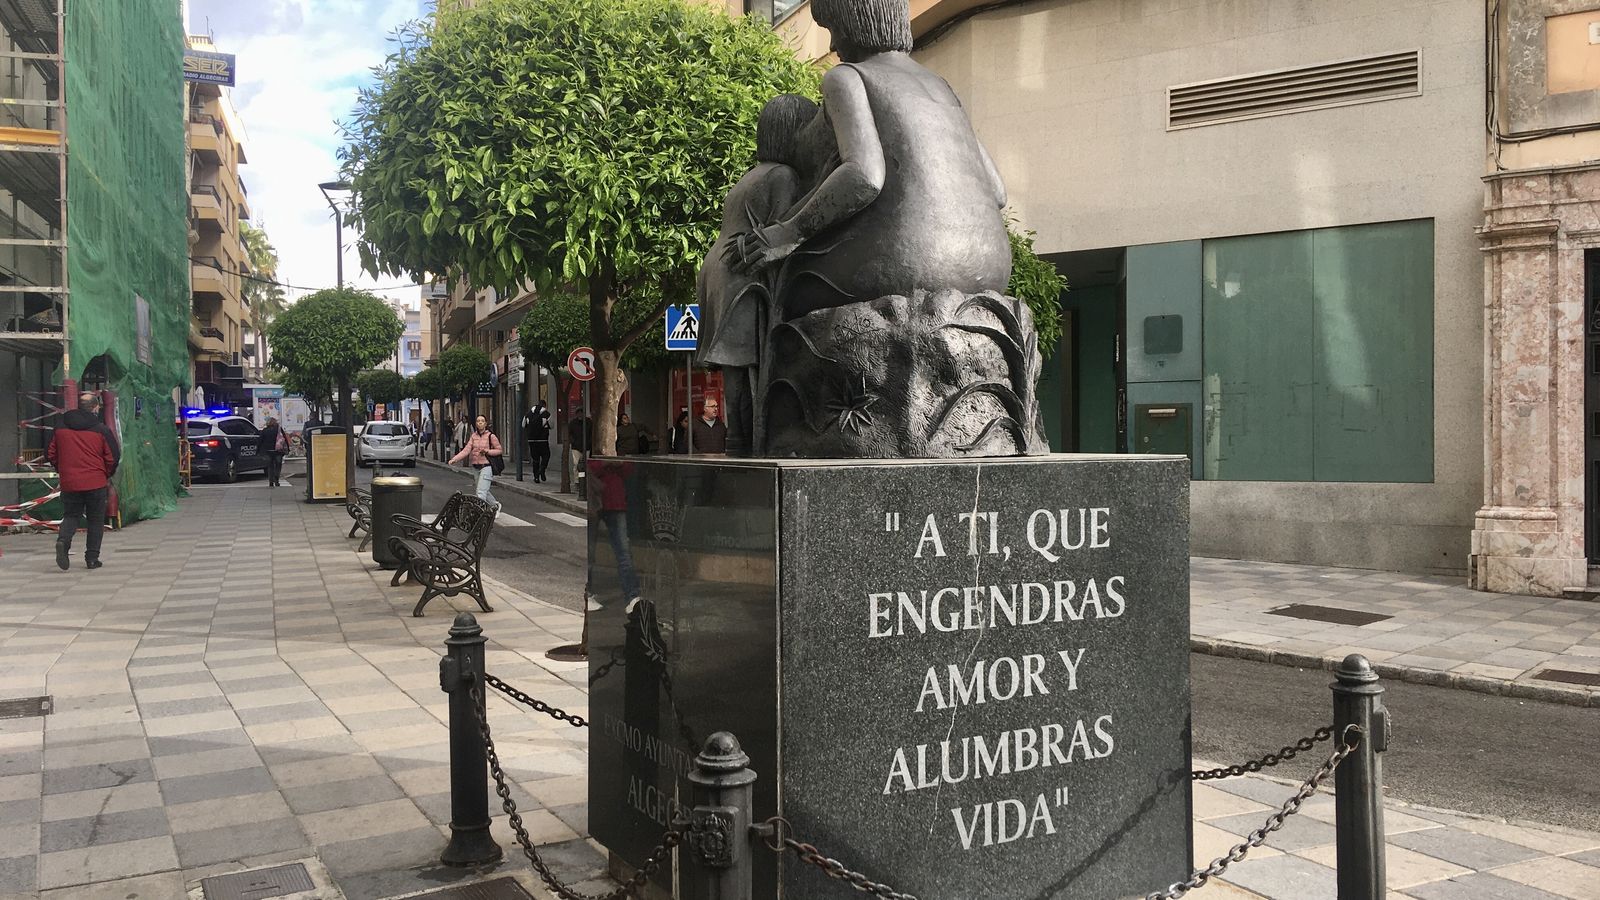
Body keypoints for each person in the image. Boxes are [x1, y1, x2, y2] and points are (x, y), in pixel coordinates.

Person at [732, 0, 1011, 318]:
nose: (833, 45)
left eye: (833, 30)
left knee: (777, 284)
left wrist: (787, 232)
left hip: (913, 266)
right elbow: (998, 192)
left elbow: (864, 176)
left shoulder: (849, 77)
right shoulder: (942, 86)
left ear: (853, 20)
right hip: (989, 269)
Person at [700, 94, 817, 456]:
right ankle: (754, 443)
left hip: (719, 271)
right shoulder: (783, 175)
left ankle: (738, 441)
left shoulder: (750, 177)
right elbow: (785, 234)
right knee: (757, 363)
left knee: (737, 366)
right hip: (745, 277)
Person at [46, 392, 120, 571]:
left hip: (70, 482)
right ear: (96, 408)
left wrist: (62, 470)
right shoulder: (101, 429)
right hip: (95, 481)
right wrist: (106, 474)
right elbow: (113, 456)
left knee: (71, 515)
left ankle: (63, 541)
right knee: (95, 520)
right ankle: (92, 559)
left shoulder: (60, 428)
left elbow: (50, 453)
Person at [449, 414, 503, 508]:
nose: (480, 423)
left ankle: (479, 513)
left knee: (481, 492)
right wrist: (455, 459)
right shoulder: (474, 436)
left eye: (482, 421)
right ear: (476, 424)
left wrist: (487, 451)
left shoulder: (491, 436)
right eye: (478, 421)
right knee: (482, 490)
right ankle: (495, 505)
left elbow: (499, 450)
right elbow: (466, 450)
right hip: (476, 467)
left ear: (486, 423)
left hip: (486, 466)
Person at [524, 402, 551, 482]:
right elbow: (552, 425)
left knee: (535, 459)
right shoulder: (546, 414)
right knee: (546, 455)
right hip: (543, 440)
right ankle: (542, 469)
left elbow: (523, 425)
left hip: (531, 440)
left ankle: (536, 477)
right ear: (545, 405)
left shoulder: (528, 413)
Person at [259, 416, 287, 487]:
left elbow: (260, 441)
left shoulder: (264, 430)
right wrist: (287, 449)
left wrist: (259, 450)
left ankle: (271, 481)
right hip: (278, 451)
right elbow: (284, 439)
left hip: (268, 451)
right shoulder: (278, 430)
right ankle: (276, 480)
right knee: (278, 465)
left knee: (270, 466)